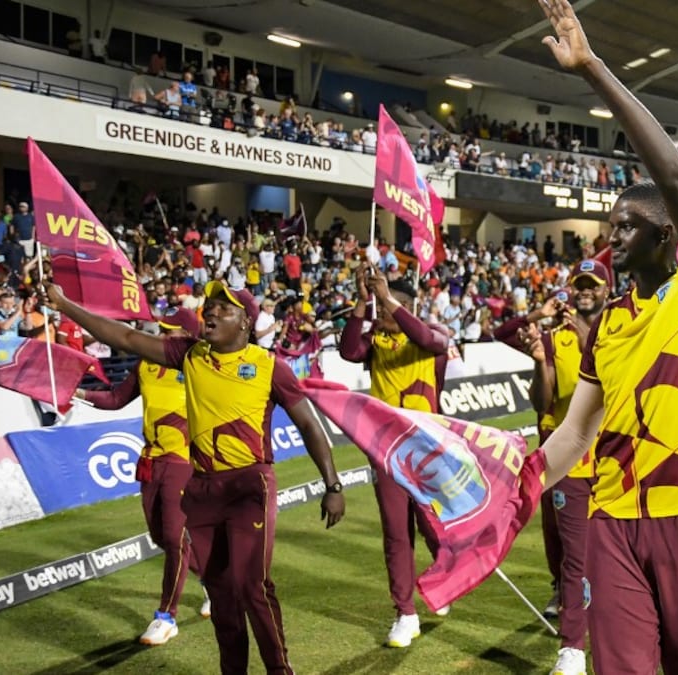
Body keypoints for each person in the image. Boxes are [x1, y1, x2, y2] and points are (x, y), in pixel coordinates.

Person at [525, 2, 678, 671]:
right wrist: (517, 484)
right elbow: (573, 433)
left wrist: (591, 68)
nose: (611, 238)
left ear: (666, 236)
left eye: (626, 226)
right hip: (614, 520)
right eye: (610, 226)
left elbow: (674, 176)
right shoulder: (607, 324)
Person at [47, 279, 346, 675]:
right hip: (203, 488)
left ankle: (279, 669)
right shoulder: (188, 354)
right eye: (210, 306)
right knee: (222, 595)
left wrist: (333, 485)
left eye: (224, 309)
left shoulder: (269, 366)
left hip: (249, 484)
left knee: (251, 586)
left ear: (245, 323)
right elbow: (124, 335)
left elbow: (308, 425)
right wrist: (65, 304)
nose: (212, 312)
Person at [501, 259, 610, 675]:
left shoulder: (620, 330)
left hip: (617, 463)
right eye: (579, 285)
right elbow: (542, 403)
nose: (585, 292)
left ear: (606, 291)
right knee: (575, 559)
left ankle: (616, 630)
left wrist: (585, 336)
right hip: (572, 465)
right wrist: (539, 362)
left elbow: (611, 374)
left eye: (592, 286)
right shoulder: (553, 338)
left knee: (621, 556)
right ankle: (571, 648)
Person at [77, 307, 209, 646]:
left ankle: (166, 617)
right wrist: (76, 394)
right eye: (162, 330)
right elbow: (116, 399)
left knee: (175, 538)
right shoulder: (147, 364)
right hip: (151, 461)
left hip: (184, 461)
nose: (162, 337)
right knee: (162, 538)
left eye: (170, 332)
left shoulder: (200, 365)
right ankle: (214, 582)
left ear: (188, 337)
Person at [338, 263, 450, 648]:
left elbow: (430, 339)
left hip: (427, 451)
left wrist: (387, 298)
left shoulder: (429, 339)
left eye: (386, 308)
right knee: (395, 532)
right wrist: (363, 301)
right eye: (379, 309)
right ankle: (405, 612)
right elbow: (349, 350)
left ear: (404, 306)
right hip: (387, 452)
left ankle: (443, 578)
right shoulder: (375, 345)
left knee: (432, 525)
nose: (380, 314)